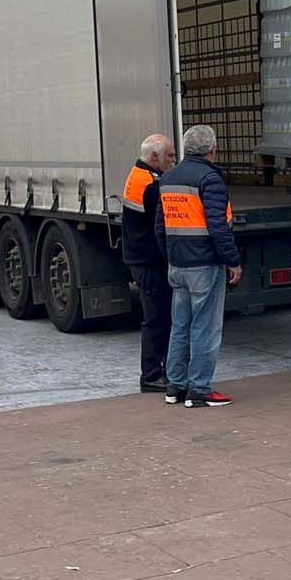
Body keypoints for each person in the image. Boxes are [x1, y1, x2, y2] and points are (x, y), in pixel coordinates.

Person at [155, 125, 241, 407]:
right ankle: (200, 389)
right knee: (205, 328)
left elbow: (160, 226)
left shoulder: (168, 178)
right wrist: (232, 261)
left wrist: (170, 255)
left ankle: (175, 387)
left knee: (180, 326)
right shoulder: (210, 179)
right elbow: (218, 227)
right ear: (212, 150)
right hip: (205, 265)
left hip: (178, 264)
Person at [121, 133, 177, 393]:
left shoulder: (139, 174)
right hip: (149, 261)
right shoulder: (150, 185)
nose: (174, 161)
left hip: (141, 258)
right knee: (157, 318)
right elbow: (163, 221)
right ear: (154, 157)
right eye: (170, 156)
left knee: (158, 316)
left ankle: (157, 371)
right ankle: (152, 375)